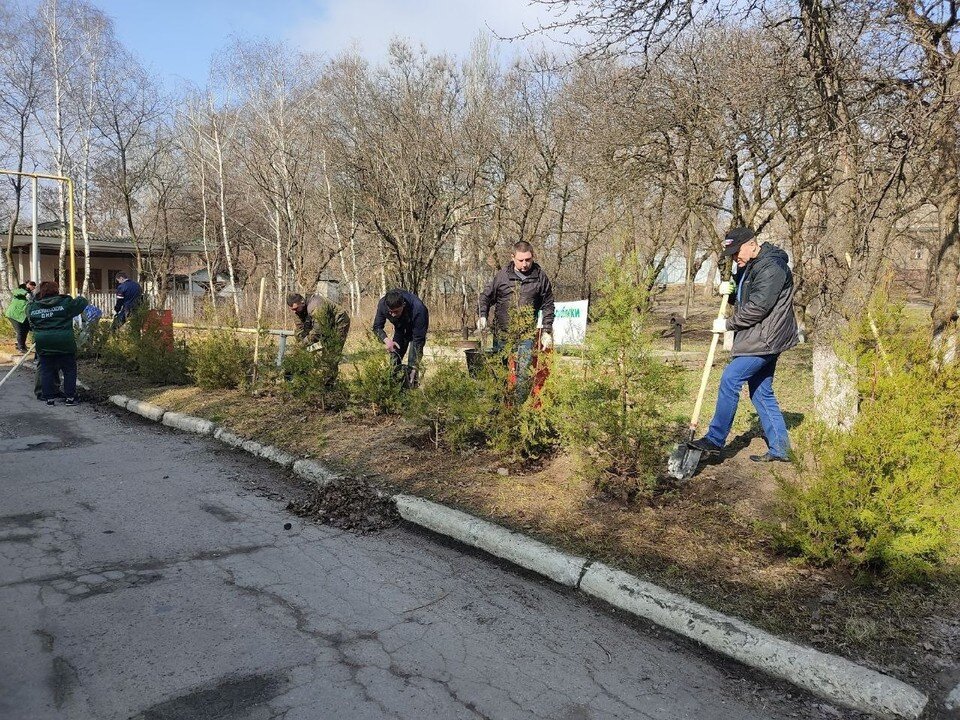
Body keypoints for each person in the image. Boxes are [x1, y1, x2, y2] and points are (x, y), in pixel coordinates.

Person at [688, 227, 799, 462]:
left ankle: (714, 441)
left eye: (737, 251)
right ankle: (781, 449)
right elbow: (745, 297)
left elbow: (758, 307)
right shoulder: (750, 265)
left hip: (766, 339)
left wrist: (727, 325)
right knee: (761, 392)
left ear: (751, 244)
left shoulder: (772, 268)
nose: (735, 257)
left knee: (731, 379)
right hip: (758, 336)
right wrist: (729, 293)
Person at [477, 240, 555, 396]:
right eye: (521, 260)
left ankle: (519, 410)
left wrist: (547, 330)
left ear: (532, 257)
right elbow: (485, 297)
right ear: (513, 257)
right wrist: (482, 315)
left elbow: (548, 304)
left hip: (526, 335)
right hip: (502, 333)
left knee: (523, 373)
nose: (525, 264)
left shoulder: (540, 277)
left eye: (528, 260)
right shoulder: (502, 277)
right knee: (500, 372)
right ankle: (499, 407)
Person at [27, 281, 88, 406]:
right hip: (64, 341)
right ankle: (70, 398)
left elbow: (30, 320)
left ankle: (49, 398)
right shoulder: (65, 303)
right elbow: (82, 303)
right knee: (69, 370)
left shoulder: (33, 307)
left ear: (40, 292)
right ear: (56, 290)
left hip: (44, 342)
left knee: (46, 370)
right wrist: (72, 297)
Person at [286, 292, 351, 384]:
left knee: (330, 353)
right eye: (292, 309)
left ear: (302, 302)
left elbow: (317, 332)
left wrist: (303, 344)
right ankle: (303, 378)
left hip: (338, 322)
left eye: (296, 308)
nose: (294, 311)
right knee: (304, 349)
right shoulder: (297, 310)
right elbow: (300, 331)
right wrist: (299, 350)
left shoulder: (316, 305)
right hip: (321, 323)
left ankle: (328, 384)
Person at [372, 289, 429, 387]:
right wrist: (387, 341)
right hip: (399, 327)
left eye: (396, 311)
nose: (393, 314)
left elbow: (418, 340)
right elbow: (377, 327)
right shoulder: (383, 304)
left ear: (403, 305)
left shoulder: (419, 309)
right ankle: (394, 384)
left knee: (412, 363)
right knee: (394, 357)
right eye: (390, 312)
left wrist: (414, 367)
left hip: (415, 325)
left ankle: (412, 385)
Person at [5, 281, 36, 352]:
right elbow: (16, 292)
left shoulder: (31, 294)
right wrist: (26, 291)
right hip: (14, 315)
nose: (33, 289)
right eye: (32, 287)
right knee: (20, 331)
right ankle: (20, 347)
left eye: (34, 288)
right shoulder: (20, 291)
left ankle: (22, 345)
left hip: (22, 316)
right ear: (28, 285)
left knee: (26, 329)